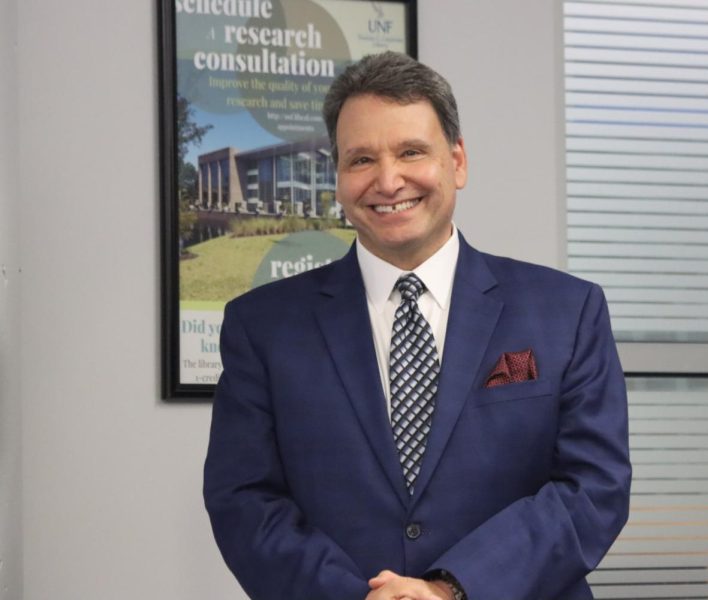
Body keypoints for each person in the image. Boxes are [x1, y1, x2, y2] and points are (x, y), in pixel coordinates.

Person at [204, 51, 631, 600]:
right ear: (337, 178)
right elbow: (244, 500)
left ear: (457, 162)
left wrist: (452, 588)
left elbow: (593, 488)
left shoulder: (566, 311)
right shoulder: (262, 327)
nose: (388, 180)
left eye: (411, 151)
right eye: (361, 160)